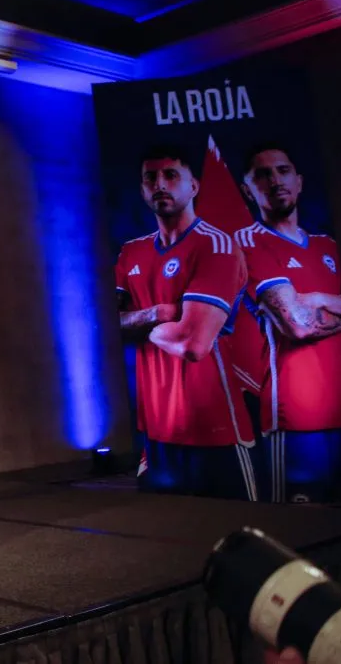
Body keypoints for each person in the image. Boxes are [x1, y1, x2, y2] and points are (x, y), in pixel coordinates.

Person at [115, 144, 258, 501]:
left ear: (194, 186)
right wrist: (159, 313)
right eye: (151, 177)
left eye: (171, 175)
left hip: (215, 431)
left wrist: (137, 323)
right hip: (157, 431)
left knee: (236, 535)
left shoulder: (216, 246)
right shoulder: (132, 252)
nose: (160, 184)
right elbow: (107, 328)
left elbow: (191, 344)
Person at [234, 143, 341, 504]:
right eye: (262, 174)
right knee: (301, 530)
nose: (275, 180)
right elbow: (298, 325)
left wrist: (320, 299)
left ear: (299, 180)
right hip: (296, 417)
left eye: (283, 170)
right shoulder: (248, 243)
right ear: (248, 189)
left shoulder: (331, 246)